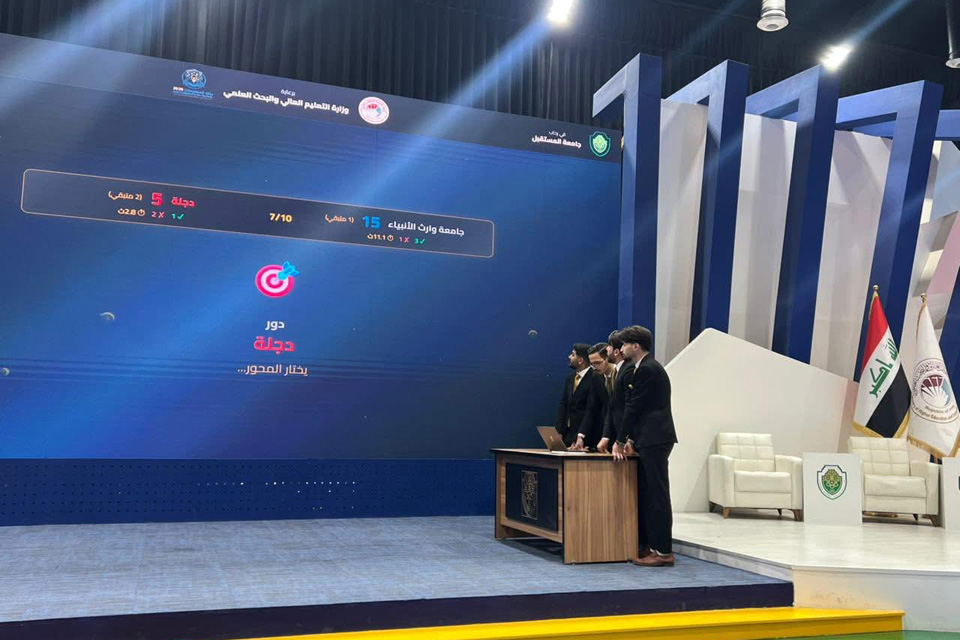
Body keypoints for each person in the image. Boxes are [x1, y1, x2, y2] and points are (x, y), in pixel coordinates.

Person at [616, 325, 678, 568]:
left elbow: (634, 407)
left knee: (657, 495)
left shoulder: (648, 369)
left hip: (655, 438)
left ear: (635, 346)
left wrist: (621, 440)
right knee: (650, 494)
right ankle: (654, 546)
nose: (621, 348)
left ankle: (663, 551)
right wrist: (631, 439)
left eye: (624, 344)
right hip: (648, 438)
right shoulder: (644, 367)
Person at [555, 343, 604, 449]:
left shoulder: (595, 377)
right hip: (568, 434)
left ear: (581, 360)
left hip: (586, 436)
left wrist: (581, 435)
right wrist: (559, 432)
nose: (569, 357)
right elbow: (563, 405)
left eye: (573, 355)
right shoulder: (570, 378)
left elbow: (592, 409)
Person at [597, 330, 632, 454]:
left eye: (609, 346)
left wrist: (626, 439)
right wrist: (606, 436)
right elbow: (611, 406)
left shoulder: (628, 370)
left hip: (629, 440)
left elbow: (630, 407)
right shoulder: (616, 372)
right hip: (619, 436)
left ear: (616, 352)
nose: (607, 349)